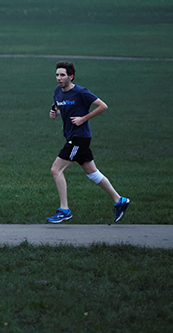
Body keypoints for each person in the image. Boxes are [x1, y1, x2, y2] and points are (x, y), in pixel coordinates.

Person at [46, 61, 130, 223]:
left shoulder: (81, 92)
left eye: (62, 75)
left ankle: (64, 210)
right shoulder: (57, 91)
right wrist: (55, 112)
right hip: (71, 136)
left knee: (56, 170)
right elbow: (59, 106)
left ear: (71, 76)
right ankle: (119, 200)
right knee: (92, 172)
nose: (59, 78)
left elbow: (103, 106)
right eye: (57, 75)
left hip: (79, 137)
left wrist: (83, 118)